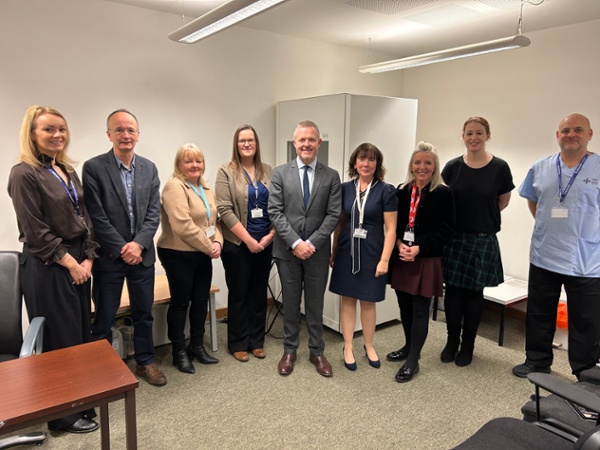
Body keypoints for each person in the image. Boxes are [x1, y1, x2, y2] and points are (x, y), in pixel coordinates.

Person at [7, 105, 100, 433]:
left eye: (61, 128)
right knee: (60, 341)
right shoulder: (23, 173)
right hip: (48, 264)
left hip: (78, 260)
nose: (57, 134)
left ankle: (80, 401)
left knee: (79, 336)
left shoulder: (66, 170)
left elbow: (84, 217)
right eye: (48, 129)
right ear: (32, 134)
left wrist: (89, 256)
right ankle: (62, 416)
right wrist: (71, 263)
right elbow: (35, 231)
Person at [83, 109, 167, 386]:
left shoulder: (149, 168)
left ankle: (145, 362)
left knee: (143, 314)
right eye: (119, 129)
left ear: (138, 135)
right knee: (104, 317)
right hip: (110, 257)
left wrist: (138, 245)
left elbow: (153, 213)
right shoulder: (94, 168)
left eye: (130, 129)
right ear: (109, 135)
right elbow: (97, 217)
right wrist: (124, 248)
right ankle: (103, 371)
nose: (125, 135)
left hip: (142, 256)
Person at [513, 113, 600, 379]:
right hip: (545, 255)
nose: (571, 135)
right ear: (557, 135)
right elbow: (533, 200)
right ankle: (537, 361)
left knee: (585, 320)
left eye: (578, 130)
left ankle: (585, 372)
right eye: (565, 130)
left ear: (589, 134)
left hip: (587, 261)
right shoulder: (541, 167)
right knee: (539, 313)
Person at [268, 120, 341, 377]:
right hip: (287, 252)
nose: (307, 144)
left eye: (311, 140)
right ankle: (289, 350)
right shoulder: (280, 173)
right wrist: (296, 243)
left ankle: (317, 351)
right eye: (302, 140)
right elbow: (275, 211)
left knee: (315, 304)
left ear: (319, 143)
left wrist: (310, 244)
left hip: (317, 253)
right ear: (294, 143)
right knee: (289, 303)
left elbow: (333, 215)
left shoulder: (331, 176)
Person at [441, 116, 514, 367]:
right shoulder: (452, 167)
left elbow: (502, 201)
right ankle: (452, 341)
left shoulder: (500, 167)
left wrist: (481, 218)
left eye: (479, 133)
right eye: (469, 133)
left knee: (474, 294)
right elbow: (443, 199)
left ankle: (468, 345)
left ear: (487, 136)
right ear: (463, 136)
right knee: (452, 292)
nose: (474, 138)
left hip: (482, 239)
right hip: (454, 239)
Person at [387, 141, 455, 382]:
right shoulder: (403, 191)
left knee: (419, 310)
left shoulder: (444, 193)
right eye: (417, 162)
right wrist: (399, 245)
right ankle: (408, 347)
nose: (422, 167)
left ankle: (413, 361)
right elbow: (394, 225)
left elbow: (447, 231)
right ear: (411, 165)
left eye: (427, 163)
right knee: (404, 307)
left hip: (425, 258)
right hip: (402, 256)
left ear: (435, 166)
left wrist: (418, 248)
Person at [329, 143, 397, 371]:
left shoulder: (386, 191)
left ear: (377, 164)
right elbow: (340, 223)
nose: (366, 164)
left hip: (372, 252)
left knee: (368, 301)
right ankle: (348, 346)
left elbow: (391, 229)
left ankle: (369, 345)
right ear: (355, 163)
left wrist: (385, 260)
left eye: (371, 159)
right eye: (362, 159)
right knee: (348, 300)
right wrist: (333, 250)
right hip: (346, 251)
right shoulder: (345, 189)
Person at [157, 143, 222, 374]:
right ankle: (179, 352)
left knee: (201, 300)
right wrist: (209, 247)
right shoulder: (174, 187)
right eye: (188, 161)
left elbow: (213, 221)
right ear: (179, 164)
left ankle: (197, 345)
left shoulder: (205, 187)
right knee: (181, 302)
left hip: (202, 251)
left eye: (198, 160)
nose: (195, 165)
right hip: (177, 253)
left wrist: (218, 242)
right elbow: (182, 225)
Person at [215, 125, 275, 362]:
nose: (247, 144)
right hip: (238, 244)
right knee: (239, 293)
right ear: (236, 144)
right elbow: (224, 210)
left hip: (265, 242)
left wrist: (271, 235)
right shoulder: (226, 171)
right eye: (242, 141)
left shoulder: (268, 170)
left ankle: (256, 341)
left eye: (251, 140)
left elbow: (278, 205)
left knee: (259, 292)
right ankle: (238, 342)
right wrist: (249, 240)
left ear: (257, 143)